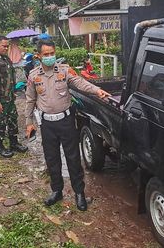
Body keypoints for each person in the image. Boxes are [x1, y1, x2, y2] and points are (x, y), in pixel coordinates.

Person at [25, 39, 110, 211]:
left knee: (73, 158)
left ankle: (79, 193)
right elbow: (30, 99)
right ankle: (57, 191)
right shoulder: (34, 76)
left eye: (52, 53)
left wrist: (96, 90)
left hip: (66, 122)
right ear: (38, 56)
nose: (50, 57)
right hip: (47, 124)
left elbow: (80, 83)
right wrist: (29, 122)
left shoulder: (64, 71)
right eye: (46, 54)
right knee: (52, 159)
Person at [0, 35, 28, 158]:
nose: (6, 48)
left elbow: (9, 77)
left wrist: (12, 92)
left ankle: (14, 143)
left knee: (13, 120)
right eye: (3, 46)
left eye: (7, 46)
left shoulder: (5, 58)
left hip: (9, 97)